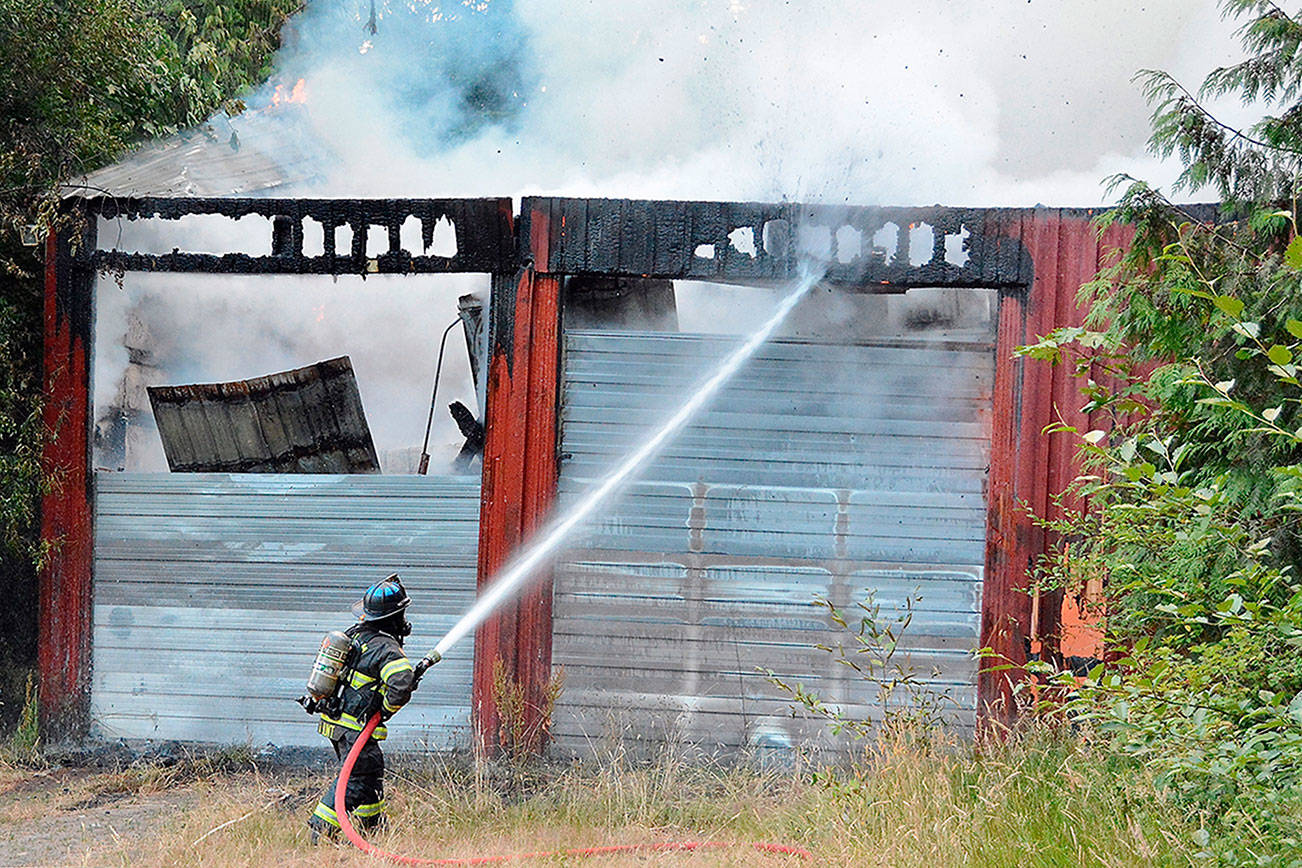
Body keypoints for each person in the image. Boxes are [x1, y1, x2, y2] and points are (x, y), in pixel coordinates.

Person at [307, 574, 416, 841]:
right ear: (394, 616)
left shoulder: (353, 634)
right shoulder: (387, 649)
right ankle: (320, 831)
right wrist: (386, 710)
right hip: (356, 728)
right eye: (401, 613)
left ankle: (373, 827)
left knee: (370, 775)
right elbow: (400, 686)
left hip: (337, 723)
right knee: (355, 780)